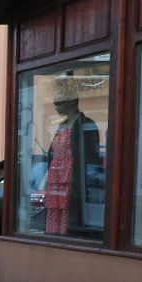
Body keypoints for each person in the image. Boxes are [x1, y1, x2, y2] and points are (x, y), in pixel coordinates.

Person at [44, 87, 100, 236]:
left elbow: (90, 156)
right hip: (56, 177)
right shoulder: (62, 125)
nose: (56, 107)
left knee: (70, 212)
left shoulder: (85, 123)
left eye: (59, 103)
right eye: (55, 104)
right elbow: (53, 152)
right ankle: (54, 236)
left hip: (72, 178)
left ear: (72, 102)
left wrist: (81, 180)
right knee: (55, 211)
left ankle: (65, 236)